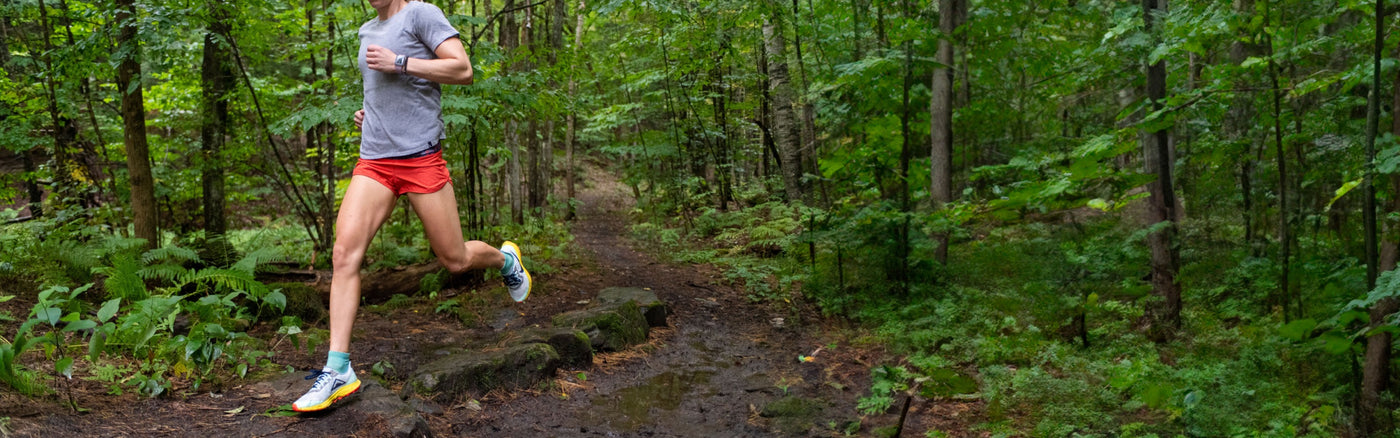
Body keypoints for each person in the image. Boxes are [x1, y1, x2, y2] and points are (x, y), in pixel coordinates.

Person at [292, 0, 531, 412]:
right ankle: (338, 369)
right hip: (375, 161)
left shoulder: (421, 13)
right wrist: (373, 113)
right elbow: (390, 89)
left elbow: (463, 70)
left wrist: (400, 61)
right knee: (344, 254)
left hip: (420, 160)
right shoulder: (368, 30)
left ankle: (506, 261)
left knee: (454, 260)